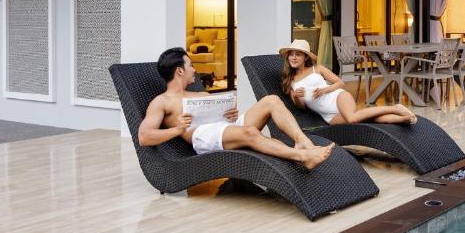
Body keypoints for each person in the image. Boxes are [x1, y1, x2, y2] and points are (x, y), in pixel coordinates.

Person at [139, 47, 334, 170]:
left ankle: (303, 142)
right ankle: (302, 157)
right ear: (179, 70)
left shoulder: (201, 95)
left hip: (225, 128)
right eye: (190, 65)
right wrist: (178, 130)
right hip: (204, 136)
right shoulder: (162, 101)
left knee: (271, 100)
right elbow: (144, 137)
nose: (194, 69)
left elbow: (226, 123)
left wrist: (231, 116)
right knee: (249, 132)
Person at [280, 39, 417, 126]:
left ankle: (395, 108)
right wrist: (297, 97)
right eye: (291, 54)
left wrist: (324, 90)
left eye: (297, 54)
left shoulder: (318, 68)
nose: (293, 57)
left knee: (352, 119)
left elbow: (340, 83)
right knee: (369, 120)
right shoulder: (290, 81)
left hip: (337, 98)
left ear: (305, 57)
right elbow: (302, 107)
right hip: (328, 115)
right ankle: (405, 119)